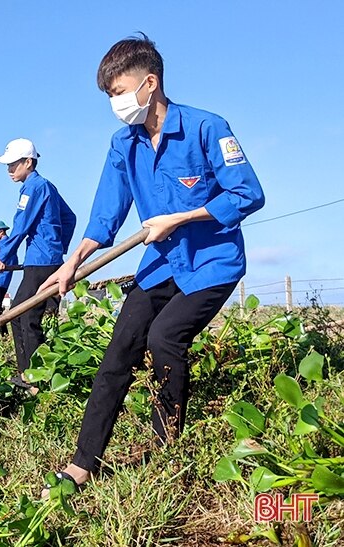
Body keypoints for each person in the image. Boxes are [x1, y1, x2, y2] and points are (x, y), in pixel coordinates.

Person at [39, 33, 265, 488]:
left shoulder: (206, 127)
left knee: (165, 338)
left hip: (211, 264)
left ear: (150, 82)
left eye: (119, 92)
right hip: (160, 265)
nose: (116, 103)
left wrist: (180, 218)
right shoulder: (124, 145)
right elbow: (106, 214)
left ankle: (168, 448)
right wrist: (72, 263)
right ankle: (83, 464)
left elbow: (249, 193)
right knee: (118, 351)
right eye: (110, 96)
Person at [0, 138, 76, 389]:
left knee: (22, 317)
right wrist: (59, 247)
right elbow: (69, 218)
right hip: (48, 259)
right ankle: (32, 374)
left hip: (39, 261)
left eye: (13, 165)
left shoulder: (33, 187)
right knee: (23, 315)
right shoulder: (46, 186)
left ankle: (33, 377)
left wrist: (2, 257)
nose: (9, 170)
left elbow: (20, 226)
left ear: (28, 162)